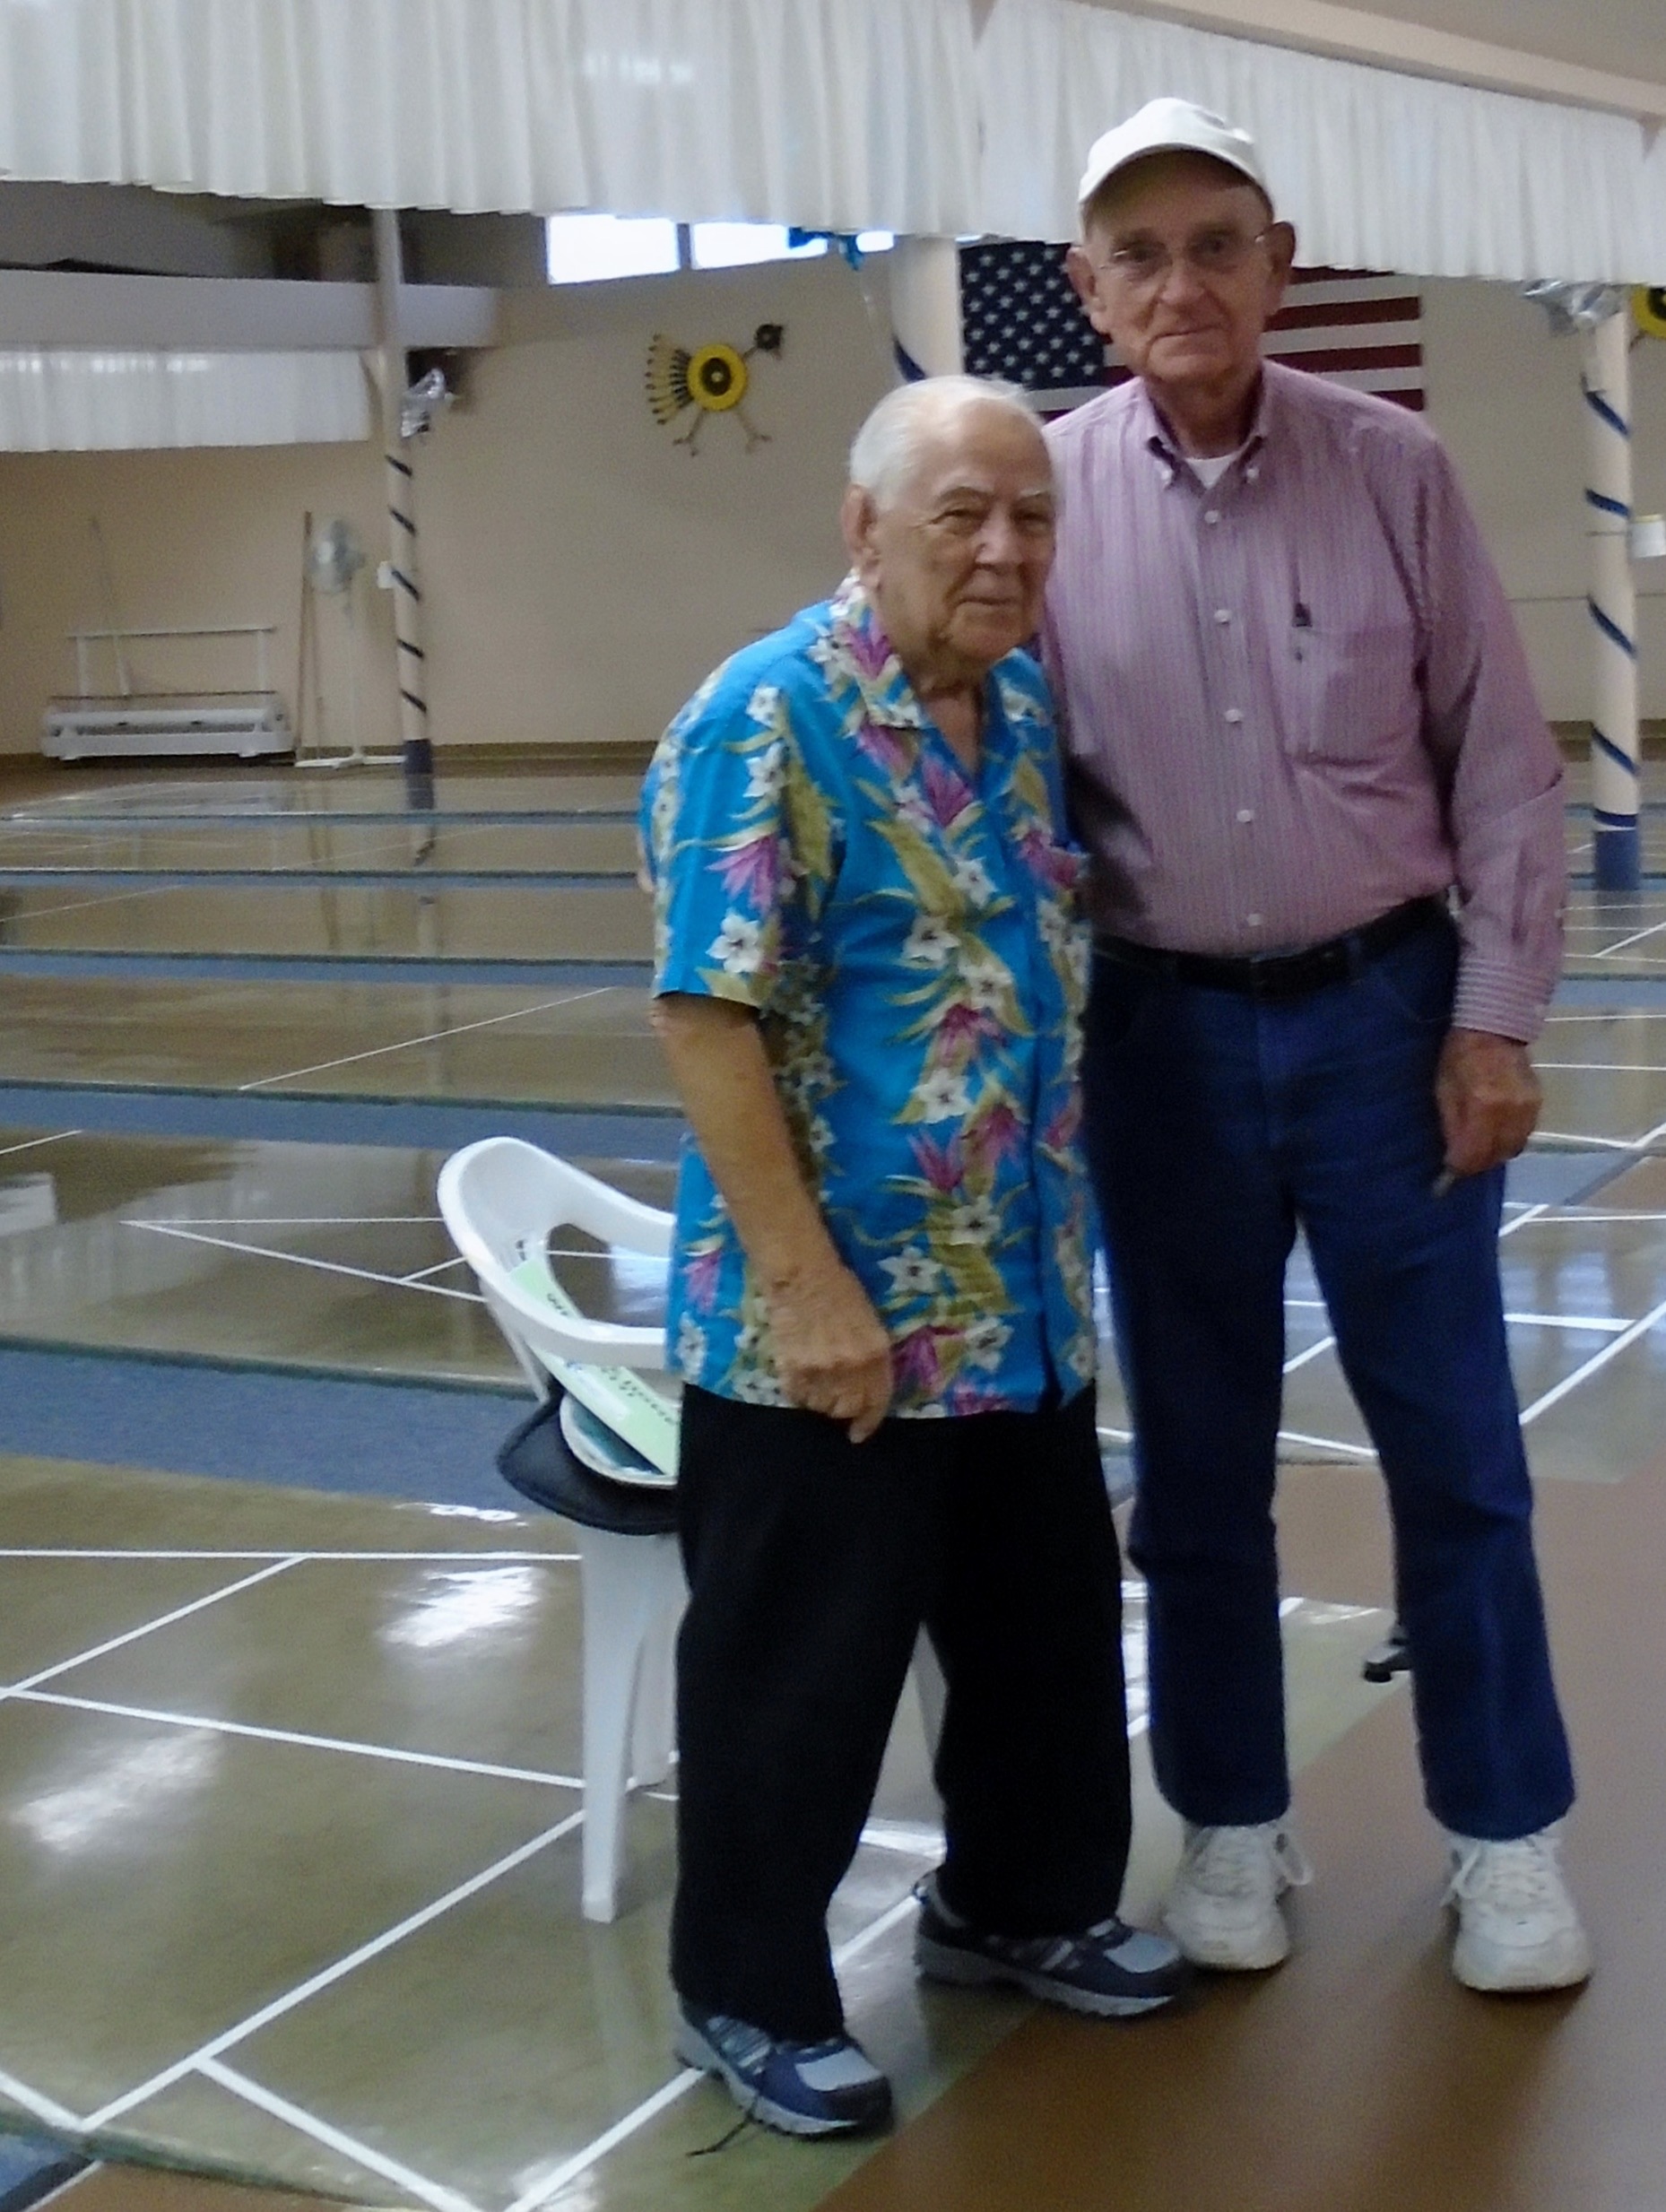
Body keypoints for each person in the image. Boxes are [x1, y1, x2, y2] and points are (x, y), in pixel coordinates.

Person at [1043, 98, 1588, 1994]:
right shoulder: (1048, 499)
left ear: (1276, 266)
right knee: (1193, 1472)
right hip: (1159, 1046)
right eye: (1138, 256)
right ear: (1087, 291)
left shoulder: (1390, 468)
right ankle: (1228, 1821)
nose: (1179, 284)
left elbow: (1500, 771)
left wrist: (1492, 1021)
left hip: (1383, 1022)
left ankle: (1502, 1839)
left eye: (1215, 245)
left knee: (1454, 1453)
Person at [640, 374, 1188, 2140]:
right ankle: (743, 1986)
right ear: (862, 528)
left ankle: (1012, 1904)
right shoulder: (766, 717)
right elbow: (706, 1016)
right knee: (798, 1674)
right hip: (832, 1322)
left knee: (1039, 1638)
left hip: (1012, 1293)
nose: (1003, 548)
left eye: (1031, 515)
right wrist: (806, 1289)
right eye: (961, 514)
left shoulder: (1015, 705)